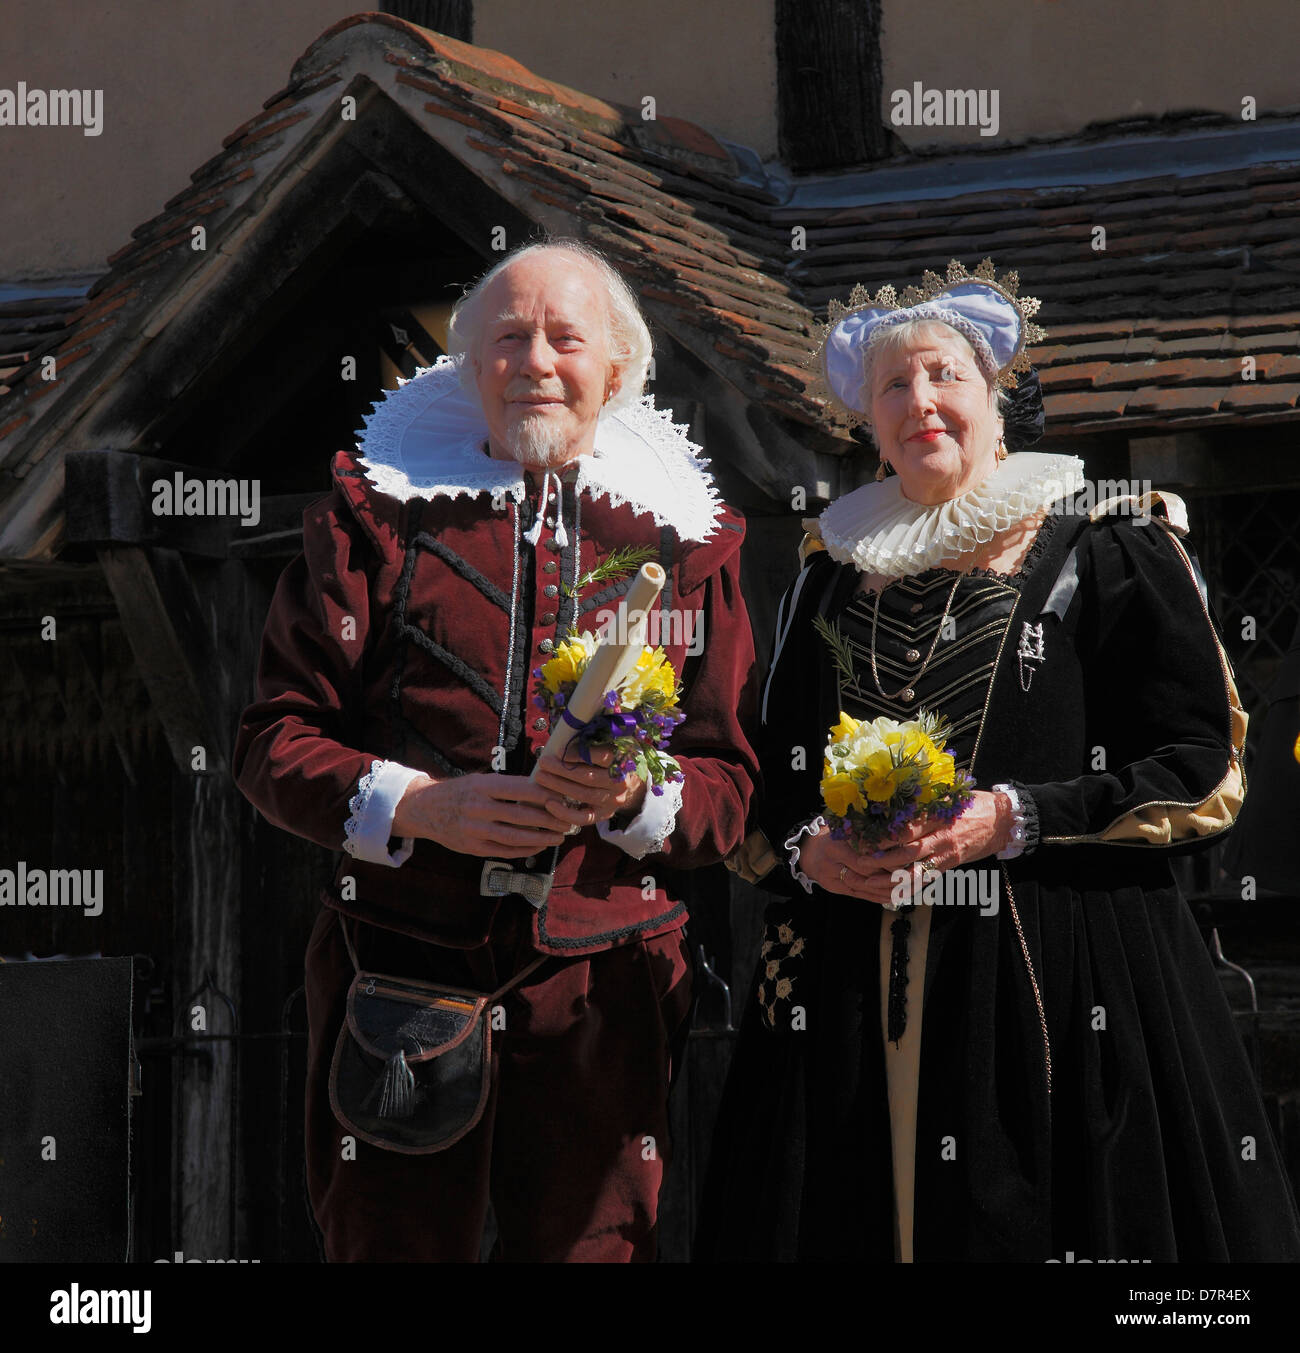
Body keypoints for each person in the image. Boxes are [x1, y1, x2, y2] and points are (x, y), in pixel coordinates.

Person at [698, 260, 1300, 1262]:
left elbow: (1199, 765)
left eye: (943, 377)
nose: (919, 402)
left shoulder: (1106, 543)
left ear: (993, 398)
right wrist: (809, 853)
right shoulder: (827, 577)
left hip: (1059, 973)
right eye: (893, 385)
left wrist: (1015, 817)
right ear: (867, 418)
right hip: (846, 988)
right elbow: (767, 782)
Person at [233, 237, 759, 1262]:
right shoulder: (374, 522)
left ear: (616, 367)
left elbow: (728, 786)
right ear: (470, 368)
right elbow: (271, 741)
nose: (536, 360)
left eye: (566, 337)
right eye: (509, 338)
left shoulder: (683, 545)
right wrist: (421, 806)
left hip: (604, 983)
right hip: (398, 966)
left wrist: (630, 796)